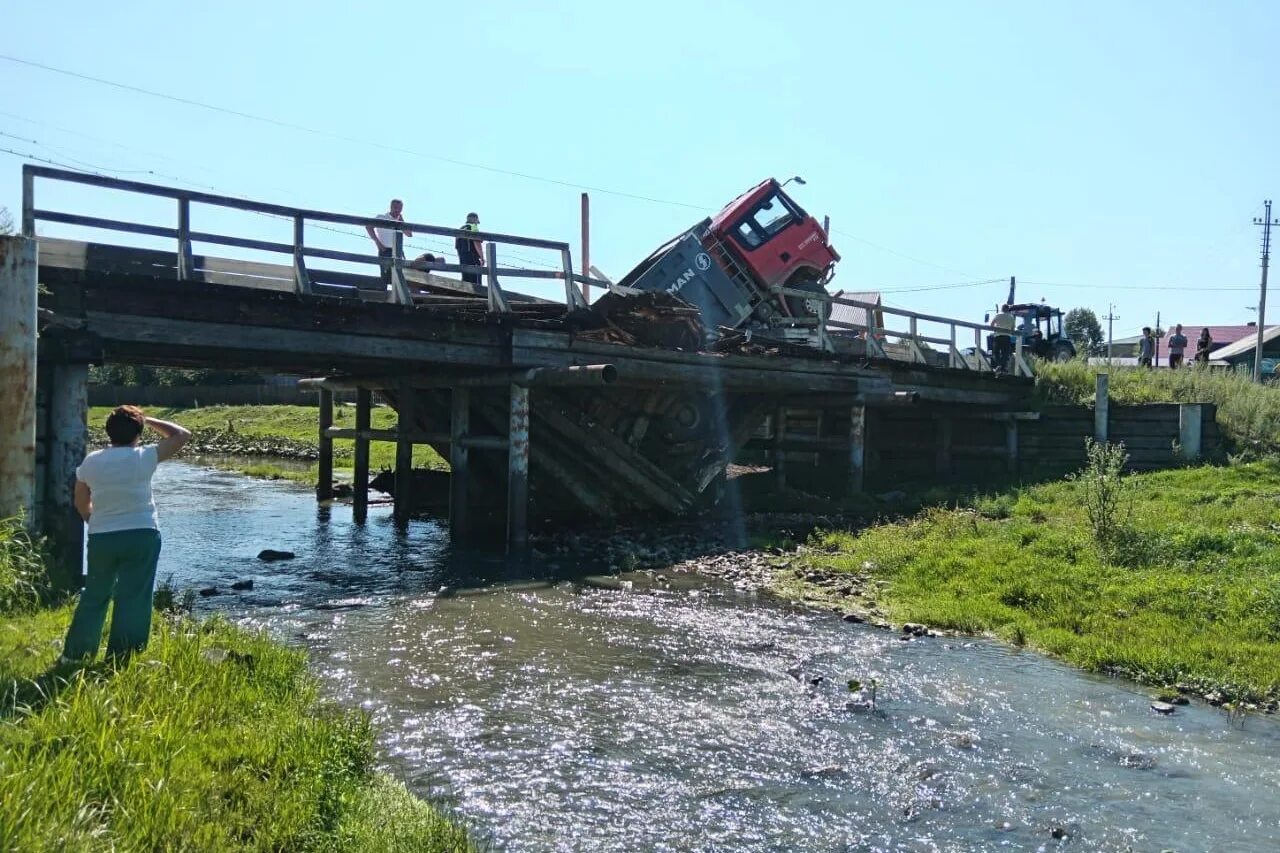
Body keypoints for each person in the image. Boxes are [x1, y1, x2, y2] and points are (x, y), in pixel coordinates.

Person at [61, 406, 191, 663]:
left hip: (103, 536)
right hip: (143, 534)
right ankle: (122, 656)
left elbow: (79, 500)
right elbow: (181, 434)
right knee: (135, 596)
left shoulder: (92, 461)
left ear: (109, 432)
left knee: (95, 594)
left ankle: (76, 655)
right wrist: (147, 418)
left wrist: (94, 521)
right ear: (139, 431)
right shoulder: (145, 456)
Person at [366, 199, 413, 286]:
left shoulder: (400, 221)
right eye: (395, 207)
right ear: (391, 207)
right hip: (385, 250)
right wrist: (377, 242)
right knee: (385, 276)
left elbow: (409, 234)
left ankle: (398, 297)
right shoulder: (381, 217)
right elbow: (368, 226)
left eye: (399, 208)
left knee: (400, 276)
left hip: (398, 251)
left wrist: (402, 222)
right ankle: (384, 296)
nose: (397, 210)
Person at [455, 212, 484, 286]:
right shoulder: (473, 226)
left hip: (462, 257)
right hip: (472, 256)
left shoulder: (461, 229)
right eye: (477, 220)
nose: (477, 223)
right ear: (474, 219)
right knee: (476, 279)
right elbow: (476, 241)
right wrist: (482, 257)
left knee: (466, 277)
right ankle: (477, 295)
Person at [990, 305, 1015, 372]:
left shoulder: (998, 315)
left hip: (998, 336)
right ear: (1008, 309)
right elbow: (1013, 328)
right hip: (1007, 337)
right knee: (1005, 353)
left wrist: (995, 330)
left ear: (1002, 309)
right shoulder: (1011, 317)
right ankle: (1001, 366)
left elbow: (991, 325)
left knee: (996, 352)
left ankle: (999, 365)